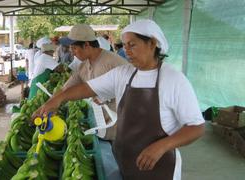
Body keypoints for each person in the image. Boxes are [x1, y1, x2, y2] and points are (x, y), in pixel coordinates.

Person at [33, 19, 205, 180]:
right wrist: (56, 100)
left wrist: (162, 146)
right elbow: (86, 88)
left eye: (132, 45)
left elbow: (196, 127)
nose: (127, 51)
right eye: (124, 45)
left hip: (159, 167)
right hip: (126, 160)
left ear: (152, 43)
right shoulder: (123, 74)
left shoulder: (174, 79)